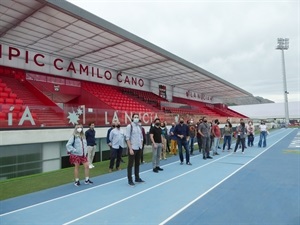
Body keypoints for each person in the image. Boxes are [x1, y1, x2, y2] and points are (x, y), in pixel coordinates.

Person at [125, 113, 144, 186]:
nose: (136, 118)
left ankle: (137, 177)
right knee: (130, 164)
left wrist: (141, 145)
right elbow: (127, 138)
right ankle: (130, 180)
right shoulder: (129, 126)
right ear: (132, 118)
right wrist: (130, 148)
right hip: (133, 148)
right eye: (135, 117)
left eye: (137, 117)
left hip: (139, 148)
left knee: (137, 163)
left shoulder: (139, 127)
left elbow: (141, 137)